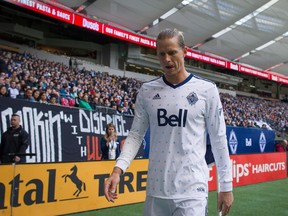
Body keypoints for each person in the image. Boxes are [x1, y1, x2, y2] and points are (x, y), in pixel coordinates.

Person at [104, 29, 233, 216]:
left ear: (184, 51)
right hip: (156, 191)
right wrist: (118, 170)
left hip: (192, 192)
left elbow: (219, 139)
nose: (167, 59)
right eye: (161, 54)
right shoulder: (147, 91)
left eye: (172, 52)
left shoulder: (207, 90)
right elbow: (135, 135)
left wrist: (226, 186)